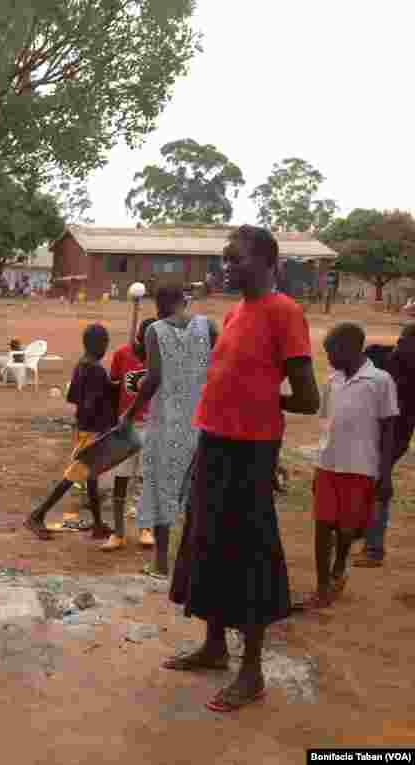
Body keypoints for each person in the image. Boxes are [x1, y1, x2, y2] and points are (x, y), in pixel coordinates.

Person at [165, 225, 320, 713]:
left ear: (269, 261)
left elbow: (309, 398)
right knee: (206, 541)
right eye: (224, 259)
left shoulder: (285, 312)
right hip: (214, 442)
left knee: (247, 554)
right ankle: (214, 646)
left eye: (236, 259)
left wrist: (261, 400)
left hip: (249, 451)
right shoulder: (234, 313)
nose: (227, 267)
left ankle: (251, 671)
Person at [121, 287, 217, 575]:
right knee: (198, 494)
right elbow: (220, 367)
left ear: (159, 307)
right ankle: (195, 563)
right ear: (183, 301)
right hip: (203, 422)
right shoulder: (208, 326)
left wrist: (130, 412)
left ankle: (162, 564)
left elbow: (154, 379)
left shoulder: (155, 331)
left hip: (166, 424)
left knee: (162, 491)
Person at [306, 323, 397, 608]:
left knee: (346, 530)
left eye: (332, 352)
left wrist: (385, 475)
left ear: (351, 348)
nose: (329, 358)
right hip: (328, 466)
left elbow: (388, 429)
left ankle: (339, 566)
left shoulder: (380, 381)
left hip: (360, 469)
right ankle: (322, 585)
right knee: (322, 525)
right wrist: (318, 464)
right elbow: (326, 426)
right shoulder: (332, 381)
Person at [24, 324, 119, 540]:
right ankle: (37, 515)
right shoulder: (95, 369)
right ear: (99, 345)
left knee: (91, 476)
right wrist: (110, 391)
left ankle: (97, 524)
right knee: (74, 475)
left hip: (85, 427)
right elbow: (90, 402)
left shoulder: (81, 365)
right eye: (105, 343)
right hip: (93, 429)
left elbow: (73, 397)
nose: (106, 347)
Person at [356, 324, 415, 567]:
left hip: (393, 438)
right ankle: (364, 539)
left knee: (379, 485)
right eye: (405, 343)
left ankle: (373, 548)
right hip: (364, 431)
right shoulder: (375, 355)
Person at [102, 317, 157, 551]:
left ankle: (146, 529)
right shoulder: (122, 355)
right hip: (126, 426)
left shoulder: (161, 358)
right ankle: (118, 532)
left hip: (153, 426)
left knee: (146, 479)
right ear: (139, 340)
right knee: (121, 480)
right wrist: (113, 423)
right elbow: (113, 390)